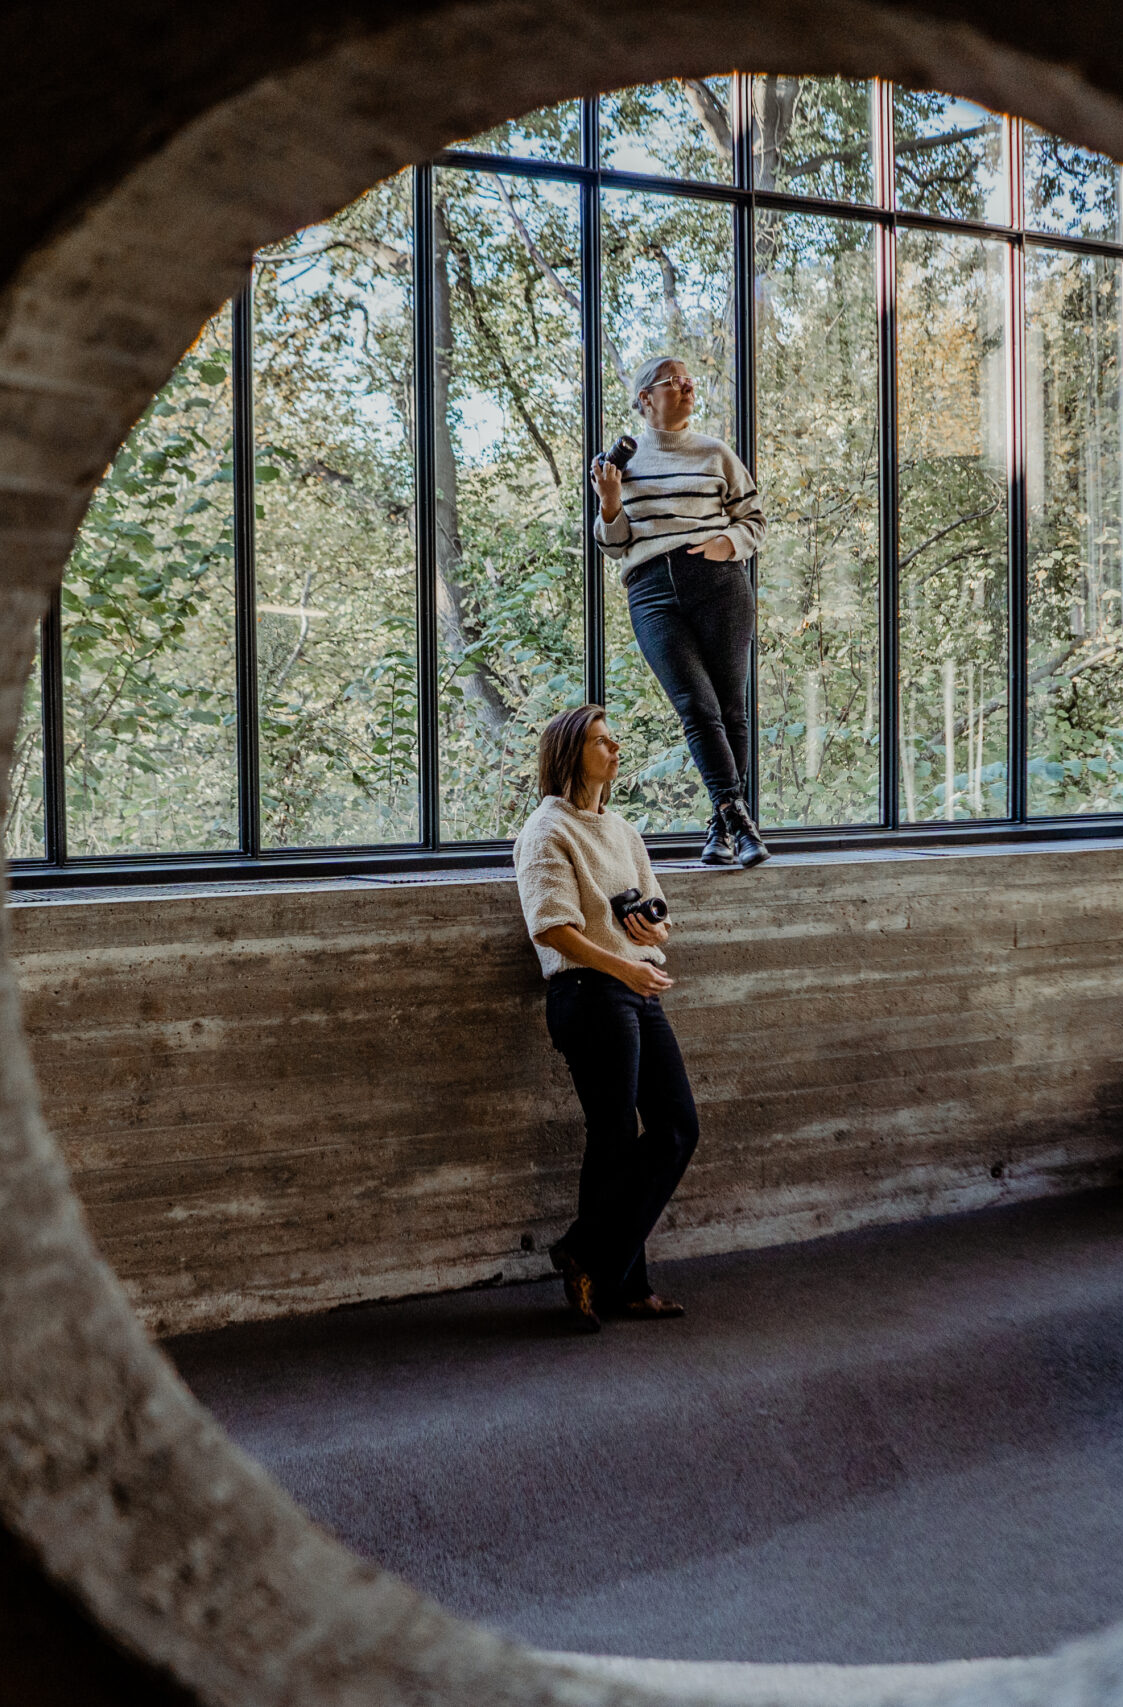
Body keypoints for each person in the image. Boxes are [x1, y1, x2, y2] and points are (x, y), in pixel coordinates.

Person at [513, 703, 699, 1333]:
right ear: (570, 752)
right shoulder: (547, 831)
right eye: (602, 741)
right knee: (615, 1136)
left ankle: (588, 1254)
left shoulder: (623, 830)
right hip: (590, 994)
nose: (616, 750)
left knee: (676, 1127)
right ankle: (623, 1283)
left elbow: (661, 918)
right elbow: (551, 928)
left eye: (616, 740)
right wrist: (625, 967)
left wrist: (652, 929)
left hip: (638, 987)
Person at [592, 354, 771, 869]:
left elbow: (754, 518)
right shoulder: (619, 464)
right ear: (645, 398)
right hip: (650, 592)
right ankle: (739, 822)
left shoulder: (715, 453)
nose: (687, 386)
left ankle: (723, 826)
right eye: (674, 381)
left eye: (690, 380)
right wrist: (609, 502)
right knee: (696, 706)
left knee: (729, 709)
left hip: (719, 585)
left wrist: (724, 544)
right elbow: (614, 544)